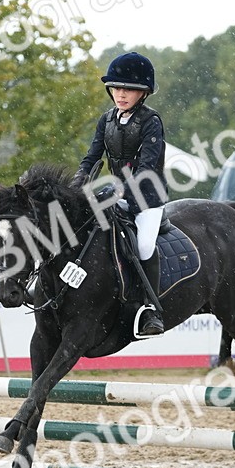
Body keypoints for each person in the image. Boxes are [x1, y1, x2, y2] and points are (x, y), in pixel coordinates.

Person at [71, 51, 167, 337]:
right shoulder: (107, 120)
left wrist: (120, 189)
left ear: (143, 93)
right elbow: (92, 158)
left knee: (144, 246)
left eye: (128, 89)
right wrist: (76, 185)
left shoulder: (152, 121)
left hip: (148, 199)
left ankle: (152, 310)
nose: (120, 94)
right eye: (116, 88)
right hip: (116, 194)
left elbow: (147, 167)